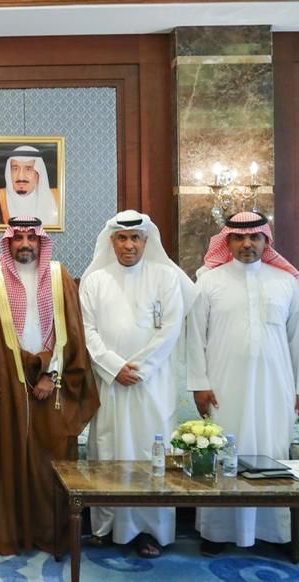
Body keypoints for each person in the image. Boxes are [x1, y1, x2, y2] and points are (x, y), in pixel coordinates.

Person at [186, 211, 299, 558]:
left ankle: (274, 533)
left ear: (266, 241)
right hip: (223, 387)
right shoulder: (208, 283)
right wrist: (199, 384)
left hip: (276, 387)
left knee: (273, 453)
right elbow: (195, 338)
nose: (247, 244)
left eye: (255, 237)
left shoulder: (286, 283)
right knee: (223, 451)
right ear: (227, 242)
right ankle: (217, 531)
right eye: (239, 238)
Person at [0, 216, 98, 556]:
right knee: (4, 458)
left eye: (32, 238)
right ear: (8, 242)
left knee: (48, 460)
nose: (25, 244)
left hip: (50, 384)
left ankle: (48, 529)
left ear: (41, 242)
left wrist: (51, 374)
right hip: (4, 384)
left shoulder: (58, 275)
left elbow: (72, 333)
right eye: (18, 238)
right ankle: (6, 528)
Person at [79, 210, 196, 558]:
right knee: (108, 449)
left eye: (135, 238)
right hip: (110, 383)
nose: (129, 245)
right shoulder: (95, 280)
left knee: (150, 453)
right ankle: (105, 527)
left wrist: (140, 369)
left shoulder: (165, 277)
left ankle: (150, 531)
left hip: (152, 385)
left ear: (146, 241)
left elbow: (171, 329)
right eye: (122, 238)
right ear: (111, 241)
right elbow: (86, 331)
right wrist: (115, 367)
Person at [0, 146, 59, 227]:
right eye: (15, 169)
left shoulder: (57, 198)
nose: (21, 177)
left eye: (28, 169)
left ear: (38, 173)